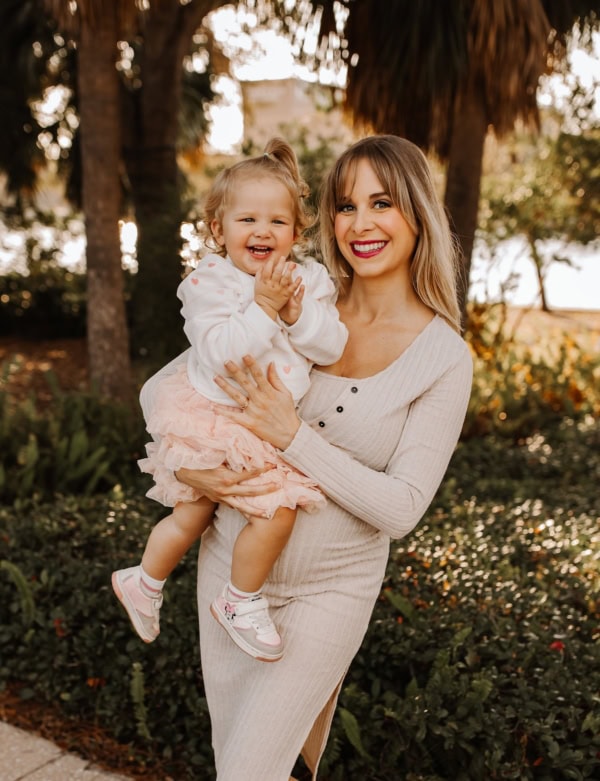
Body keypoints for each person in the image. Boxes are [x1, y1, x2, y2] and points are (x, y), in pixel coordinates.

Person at [141, 135, 473, 780]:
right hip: (230, 583)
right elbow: (165, 390)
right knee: (259, 765)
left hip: (331, 591)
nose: (361, 223)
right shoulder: (297, 299)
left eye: (382, 202)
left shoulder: (443, 355)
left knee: (249, 773)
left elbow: (402, 508)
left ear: (417, 213)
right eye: (345, 206)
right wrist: (186, 470)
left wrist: (294, 437)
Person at [112, 138, 348, 663]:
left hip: (262, 421)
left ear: (297, 231)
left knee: (275, 510)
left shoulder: (308, 280)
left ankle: (232, 597)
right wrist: (263, 308)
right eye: (247, 220)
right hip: (213, 412)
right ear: (219, 230)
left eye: (277, 222)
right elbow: (219, 354)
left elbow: (331, 345)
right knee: (197, 513)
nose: (262, 232)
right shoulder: (209, 282)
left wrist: (293, 313)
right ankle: (150, 580)